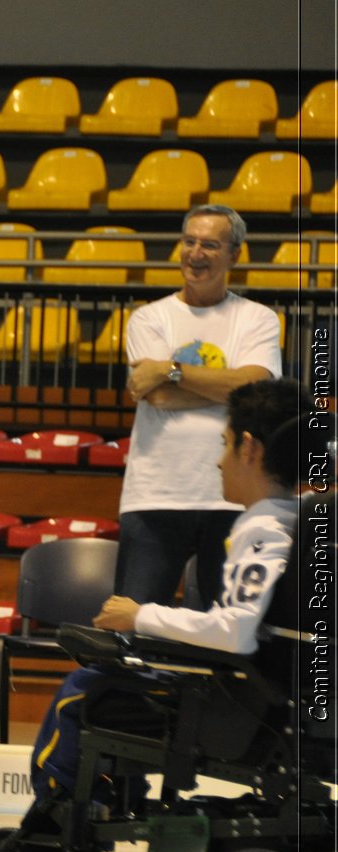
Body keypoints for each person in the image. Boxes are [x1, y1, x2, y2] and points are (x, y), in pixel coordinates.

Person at [29, 378, 312, 806]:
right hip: (263, 698)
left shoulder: (265, 528)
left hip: (240, 709)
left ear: (250, 450)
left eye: (225, 443)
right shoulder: (297, 521)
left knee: (85, 688)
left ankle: (49, 830)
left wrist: (140, 616)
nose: (218, 462)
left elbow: (235, 631)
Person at [117, 204, 281, 607]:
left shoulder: (258, 319)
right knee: (131, 631)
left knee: (226, 632)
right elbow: (156, 395)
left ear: (234, 255)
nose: (196, 253)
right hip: (155, 496)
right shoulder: (149, 318)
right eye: (189, 241)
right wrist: (226, 383)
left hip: (233, 498)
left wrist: (168, 369)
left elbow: (255, 388)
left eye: (210, 244)